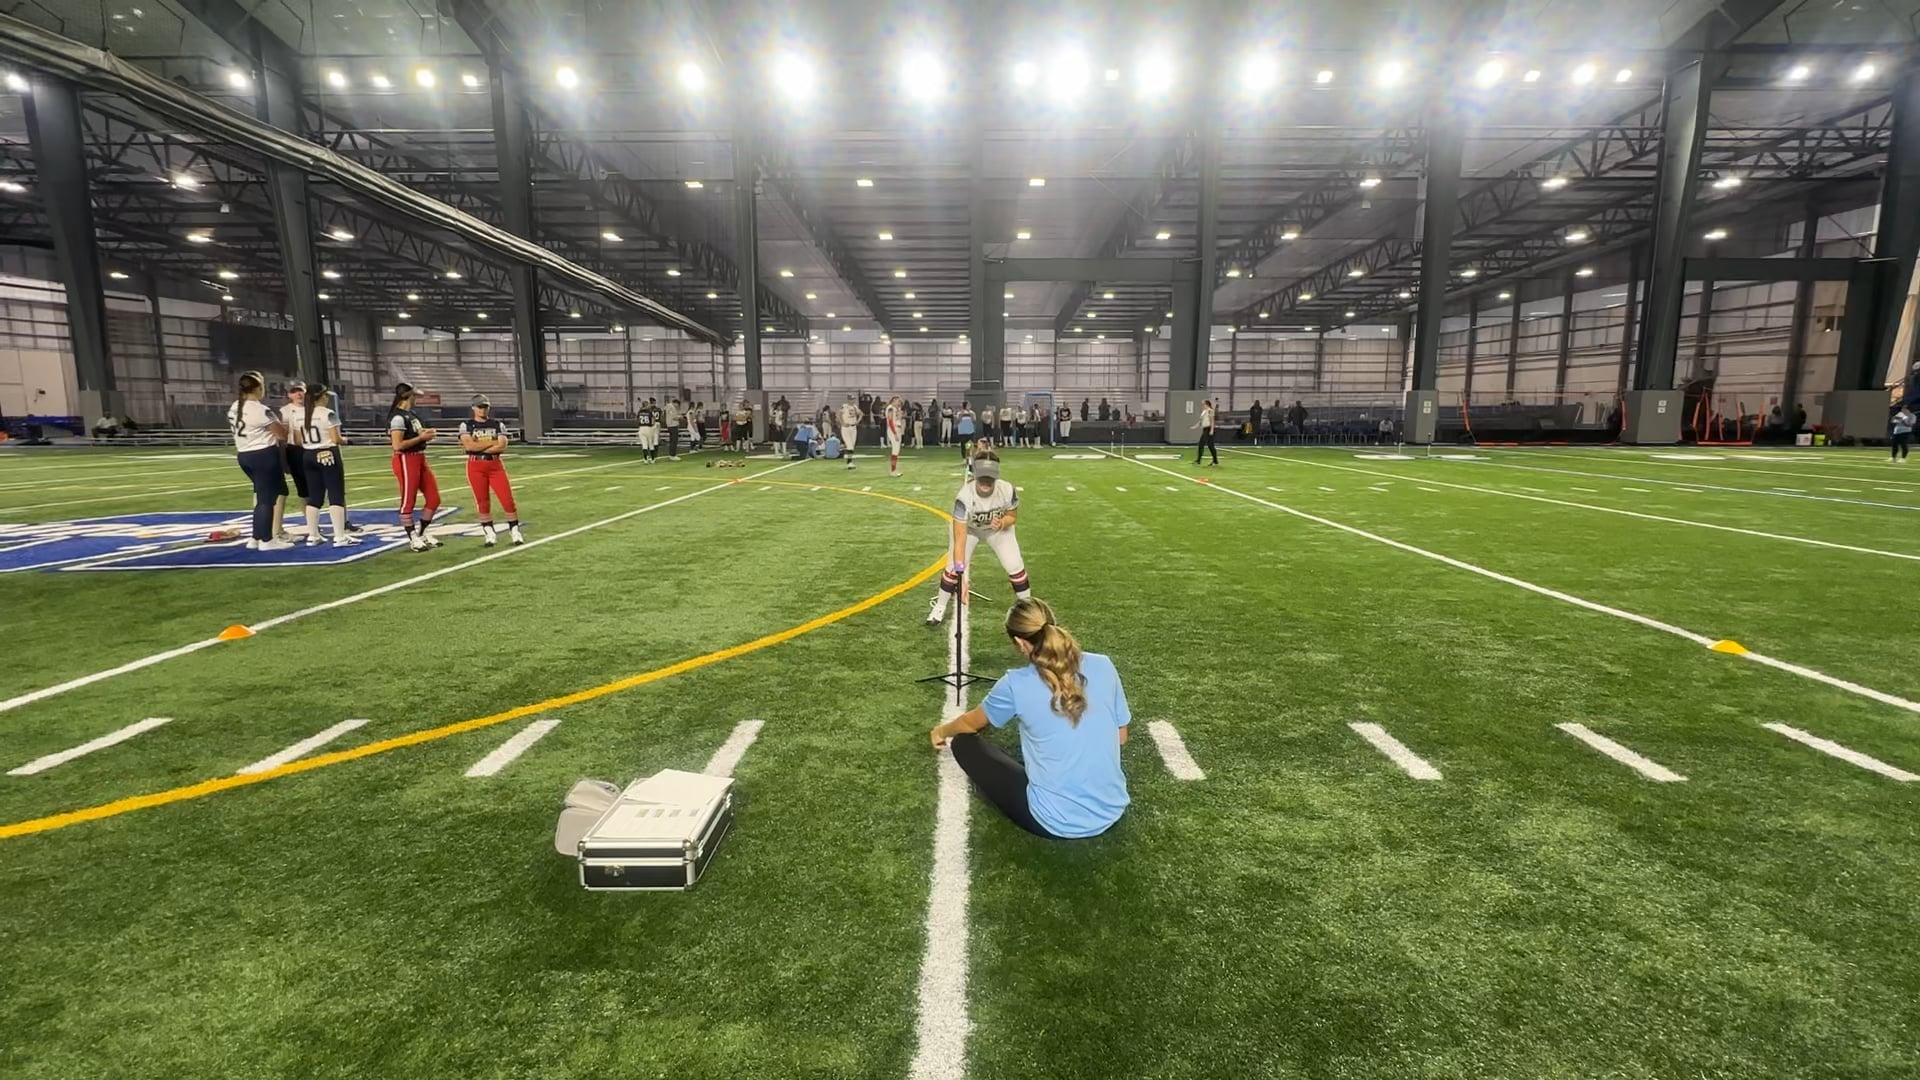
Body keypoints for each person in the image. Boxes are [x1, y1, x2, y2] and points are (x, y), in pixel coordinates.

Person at [928, 599, 1131, 839]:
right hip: (1112, 808)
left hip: (1054, 821)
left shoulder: (1016, 684)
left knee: (963, 743)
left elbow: (969, 723)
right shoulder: (1104, 664)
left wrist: (940, 731)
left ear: (1020, 643)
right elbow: (1121, 737)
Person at [927, 453, 1032, 626]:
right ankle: (940, 606)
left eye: (990, 477)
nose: (985, 481)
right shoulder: (964, 497)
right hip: (969, 530)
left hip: (996, 530)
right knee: (953, 568)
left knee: (1014, 565)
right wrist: (960, 577)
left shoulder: (1006, 490)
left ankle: (1028, 607)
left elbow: (1012, 516)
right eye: (982, 476)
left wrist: (1002, 522)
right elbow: (960, 539)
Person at [228, 370, 294, 551]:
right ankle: (266, 539)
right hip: (263, 455)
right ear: (258, 388)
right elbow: (282, 434)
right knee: (267, 500)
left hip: (244, 454)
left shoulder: (235, 406)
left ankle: (256, 537)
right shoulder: (261, 410)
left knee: (262, 496)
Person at [293, 384, 358, 548]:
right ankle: (340, 536)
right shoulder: (328, 413)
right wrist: (348, 441)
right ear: (321, 396)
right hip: (328, 453)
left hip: (308, 455)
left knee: (314, 497)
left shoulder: (298, 414)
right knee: (336, 494)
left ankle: (313, 535)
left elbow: (298, 440)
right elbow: (335, 439)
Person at [459, 395, 524, 546]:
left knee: (507, 499)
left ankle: (514, 530)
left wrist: (479, 446)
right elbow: (469, 446)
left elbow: (502, 446)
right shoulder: (466, 425)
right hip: (475, 466)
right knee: (482, 501)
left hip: (495, 465)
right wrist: (492, 442)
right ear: (473, 408)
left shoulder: (497, 424)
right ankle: (489, 532)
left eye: (485, 407)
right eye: (480, 407)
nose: (483, 410)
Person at [387, 382, 442, 552]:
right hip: (406, 459)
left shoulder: (410, 414)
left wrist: (425, 434)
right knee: (408, 500)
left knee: (434, 499)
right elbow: (398, 445)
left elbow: (416, 434)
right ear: (408, 396)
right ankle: (412, 537)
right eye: (414, 395)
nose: (416, 398)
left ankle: (421, 533)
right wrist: (421, 438)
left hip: (419, 458)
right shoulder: (398, 418)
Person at [838, 394, 863, 470]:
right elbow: (839, 414)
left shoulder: (855, 407)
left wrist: (857, 421)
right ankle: (849, 463)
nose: (853, 401)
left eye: (853, 399)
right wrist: (842, 423)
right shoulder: (844, 406)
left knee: (852, 445)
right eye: (851, 399)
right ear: (848, 400)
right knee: (849, 445)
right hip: (846, 428)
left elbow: (861, 414)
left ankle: (850, 461)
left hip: (853, 427)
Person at [635, 397, 662, 463]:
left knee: (644, 445)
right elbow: (653, 421)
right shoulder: (650, 412)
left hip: (641, 428)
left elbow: (637, 420)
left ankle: (645, 459)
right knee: (651, 444)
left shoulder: (639, 412)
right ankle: (653, 459)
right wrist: (652, 426)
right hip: (648, 428)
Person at [1195, 398, 1219, 467]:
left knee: (1202, 444)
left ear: (1206, 404)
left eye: (1203, 404)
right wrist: (1196, 426)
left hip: (1209, 429)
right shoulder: (1204, 411)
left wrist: (1211, 430)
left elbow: (1212, 421)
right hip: (1205, 429)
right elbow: (1201, 421)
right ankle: (1215, 461)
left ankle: (1198, 460)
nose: (1202, 405)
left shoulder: (1210, 411)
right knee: (1210, 446)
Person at [886, 394, 906, 477]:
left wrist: (900, 415)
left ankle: (894, 469)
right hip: (893, 430)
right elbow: (890, 422)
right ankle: (893, 470)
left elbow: (897, 419)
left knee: (897, 451)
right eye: (898, 401)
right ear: (894, 400)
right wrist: (894, 433)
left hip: (897, 429)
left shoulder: (896, 408)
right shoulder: (890, 408)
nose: (899, 403)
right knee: (895, 450)